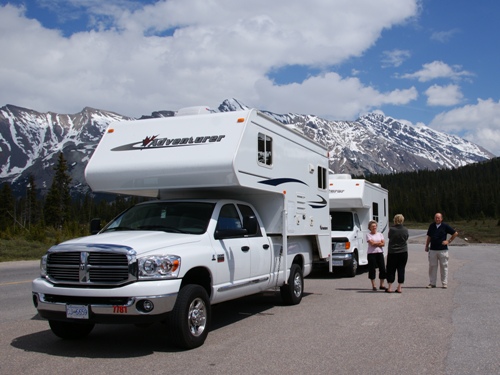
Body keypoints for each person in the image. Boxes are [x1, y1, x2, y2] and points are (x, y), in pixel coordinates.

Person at [425, 213, 458, 289]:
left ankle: (444, 283)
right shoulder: (432, 226)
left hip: (443, 250)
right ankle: (432, 283)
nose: (437, 219)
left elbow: (455, 233)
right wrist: (426, 246)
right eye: (436, 218)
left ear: (441, 219)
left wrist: (448, 241)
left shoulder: (445, 226)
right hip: (433, 249)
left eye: (439, 218)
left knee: (444, 266)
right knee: (432, 267)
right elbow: (429, 237)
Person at [386, 214, 409, 293]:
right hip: (403, 251)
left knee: (391, 269)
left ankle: (390, 287)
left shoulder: (392, 229)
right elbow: (406, 237)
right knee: (401, 269)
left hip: (393, 251)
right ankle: (399, 287)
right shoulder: (405, 229)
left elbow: (389, 237)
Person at [366, 220, 387, 291]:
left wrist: (376, 243)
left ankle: (382, 284)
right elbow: (371, 243)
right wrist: (378, 243)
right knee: (372, 269)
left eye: (375, 226)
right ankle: (374, 285)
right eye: (372, 226)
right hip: (371, 254)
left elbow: (383, 244)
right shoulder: (368, 235)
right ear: (370, 228)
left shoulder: (380, 234)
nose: (374, 227)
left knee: (382, 269)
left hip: (379, 253)